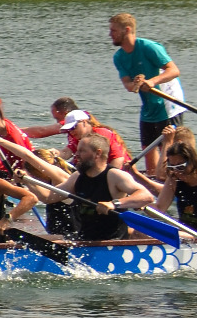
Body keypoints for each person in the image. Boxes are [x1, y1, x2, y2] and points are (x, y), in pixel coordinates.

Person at [110, 13, 185, 172]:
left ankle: (175, 181)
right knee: (148, 151)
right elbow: (128, 86)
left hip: (168, 105)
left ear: (127, 30)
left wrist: (151, 82)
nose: (110, 34)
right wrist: (135, 84)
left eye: (114, 30)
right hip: (149, 108)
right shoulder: (119, 57)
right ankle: (154, 184)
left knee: (172, 153)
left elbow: (174, 70)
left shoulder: (149, 47)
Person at [57, 133, 154, 241]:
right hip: (85, 243)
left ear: (98, 153)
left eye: (82, 151)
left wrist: (114, 203)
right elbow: (47, 196)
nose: (76, 154)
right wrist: (33, 162)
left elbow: (147, 196)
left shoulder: (114, 175)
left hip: (112, 245)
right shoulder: (78, 177)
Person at [152, 127, 197, 231]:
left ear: (193, 162)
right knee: (138, 231)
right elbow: (159, 208)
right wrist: (140, 205)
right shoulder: (174, 179)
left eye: (181, 167)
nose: (177, 172)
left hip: (193, 236)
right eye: (172, 167)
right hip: (185, 233)